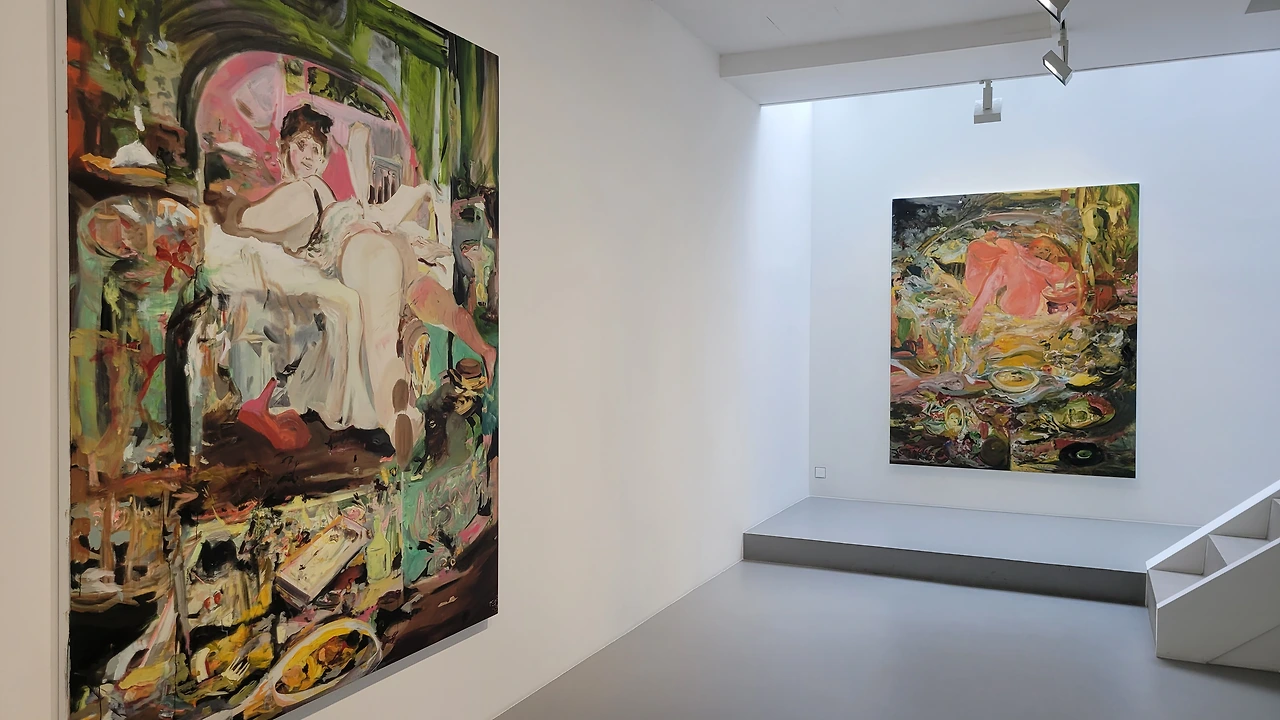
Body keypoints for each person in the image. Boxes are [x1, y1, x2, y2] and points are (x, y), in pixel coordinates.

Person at [209, 104, 496, 464]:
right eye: (301, 146)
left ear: (322, 158)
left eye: (315, 149)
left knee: (381, 344)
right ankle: (485, 352)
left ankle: (402, 423)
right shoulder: (323, 190)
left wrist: (226, 202)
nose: (308, 156)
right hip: (392, 243)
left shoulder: (299, 191)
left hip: (364, 251)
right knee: (435, 305)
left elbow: (245, 221)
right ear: (285, 149)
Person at [958, 232, 1078, 336]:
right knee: (1006, 260)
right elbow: (991, 283)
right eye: (1037, 247)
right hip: (1010, 303)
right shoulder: (1016, 259)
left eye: (1046, 250)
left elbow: (1059, 277)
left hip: (1029, 307)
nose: (1040, 251)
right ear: (1029, 248)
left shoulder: (1047, 267)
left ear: (1051, 254)